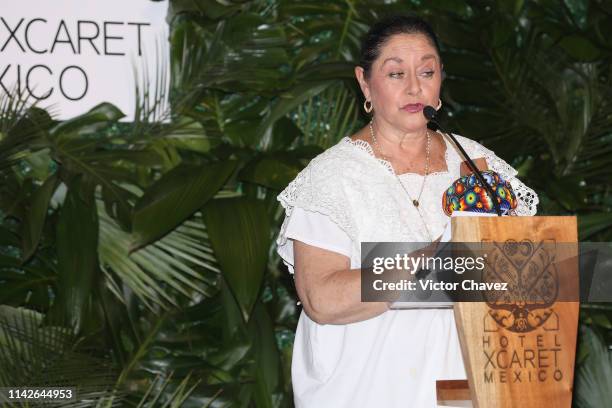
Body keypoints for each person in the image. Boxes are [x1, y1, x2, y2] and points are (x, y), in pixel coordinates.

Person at [275, 15, 539, 408]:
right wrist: (425, 262)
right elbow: (321, 300)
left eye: (427, 71)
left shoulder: (478, 163)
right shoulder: (332, 176)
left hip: (464, 388)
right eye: (396, 73)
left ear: (441, 80)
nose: (415, 86)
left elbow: (529, 275)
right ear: (365, 82)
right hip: (369, 388)